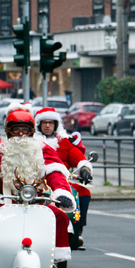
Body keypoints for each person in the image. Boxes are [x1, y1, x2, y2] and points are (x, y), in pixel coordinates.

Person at [0, 103, 76, 265]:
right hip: (4, 201)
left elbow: (55, 173)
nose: (21, 134)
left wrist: (62, 193)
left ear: (32, 131)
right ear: (8, 132)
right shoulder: (2, 149)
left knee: (60, 217)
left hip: (36, 201)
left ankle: (55, 261)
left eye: (25, 130)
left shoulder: (43, 149)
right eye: (15, 130)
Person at [35, 107, 93, 250]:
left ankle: (78, 228)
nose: (47, 126)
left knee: (84, 192)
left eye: (50, 123)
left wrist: (85, 169)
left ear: (56, 125)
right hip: (37, 183)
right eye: (44, 123)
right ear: (38, 125)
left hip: (63, 182)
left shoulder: (64, 143)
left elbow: (79, 158)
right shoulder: (33, 143)